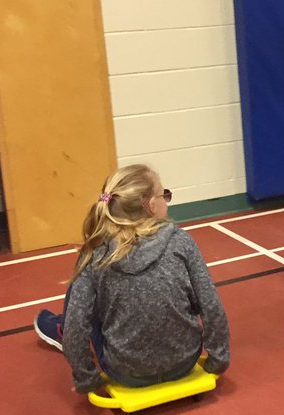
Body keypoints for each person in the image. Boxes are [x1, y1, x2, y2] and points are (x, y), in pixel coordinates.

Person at [32, 164, 230, 394]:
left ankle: (61, 329)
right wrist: (218, 358)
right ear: (152, 205)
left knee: (80, 292)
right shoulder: (181, 241)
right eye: (165, 194)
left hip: (126, 373)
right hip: (183, 363)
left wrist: (86, 377)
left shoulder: (96, 253)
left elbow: (78, 326)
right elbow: (211, 306)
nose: (167, 200)